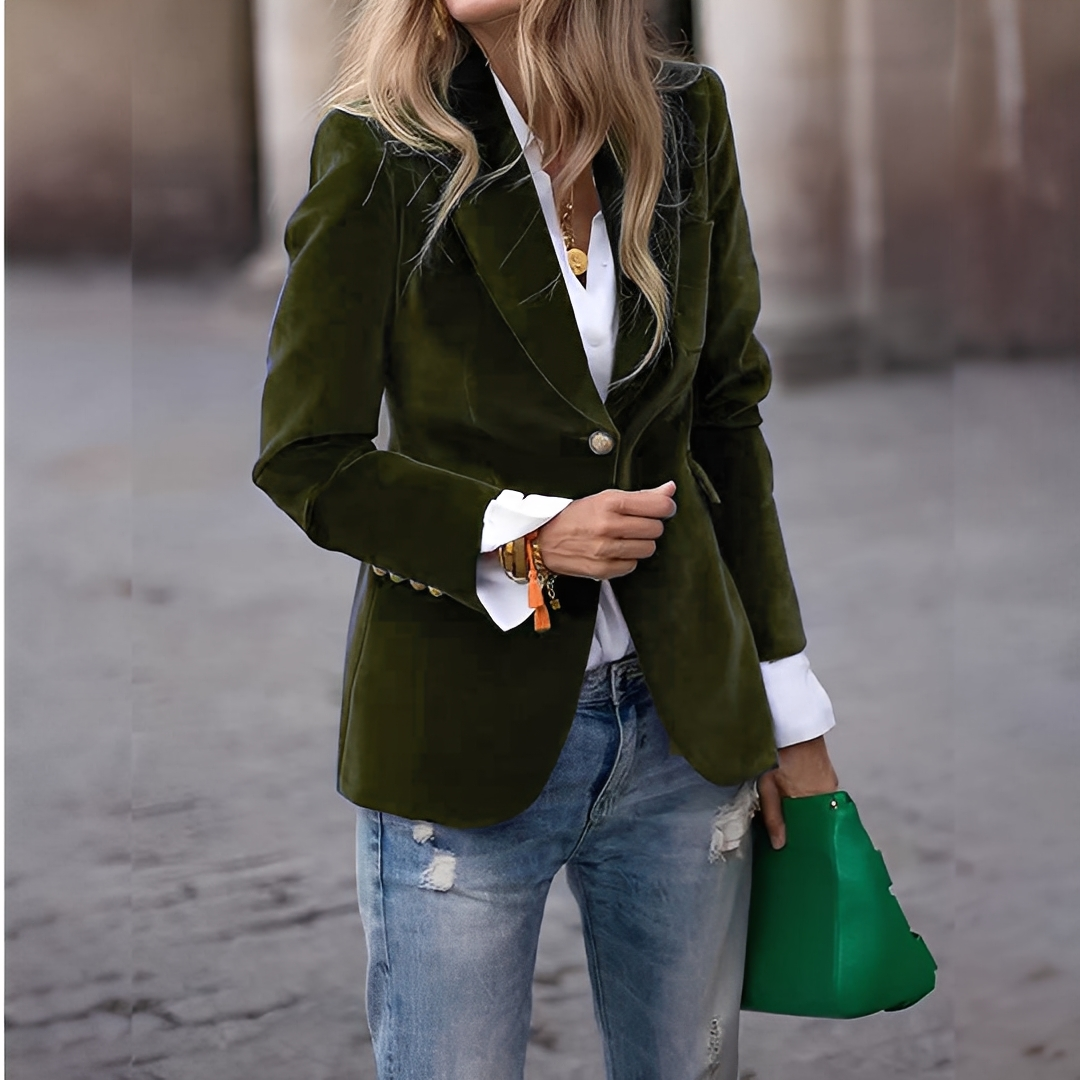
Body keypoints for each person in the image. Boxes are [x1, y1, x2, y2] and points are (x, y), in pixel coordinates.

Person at [254, 0, 840, 1076]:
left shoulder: (685, 118)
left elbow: (725, 420)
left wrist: (790, 713)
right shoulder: (382, 148)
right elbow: (308, 456)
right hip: (459, 730)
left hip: (685, 730)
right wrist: (523, 535)